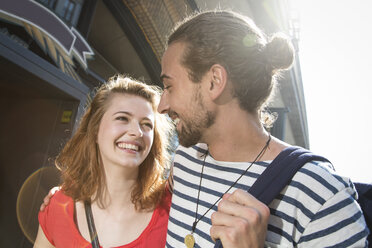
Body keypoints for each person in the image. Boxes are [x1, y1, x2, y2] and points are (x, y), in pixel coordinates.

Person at [158, 10, 369, 247]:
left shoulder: (322, 196)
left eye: (169, 86)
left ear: (214, 81)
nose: (161, 106)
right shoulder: (185, 161)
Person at [34, 75, 172, 248]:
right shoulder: (58, 206)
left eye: (146, 124)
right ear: (95, 129)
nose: (137, 132)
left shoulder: (173, 211)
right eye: (122, 118)